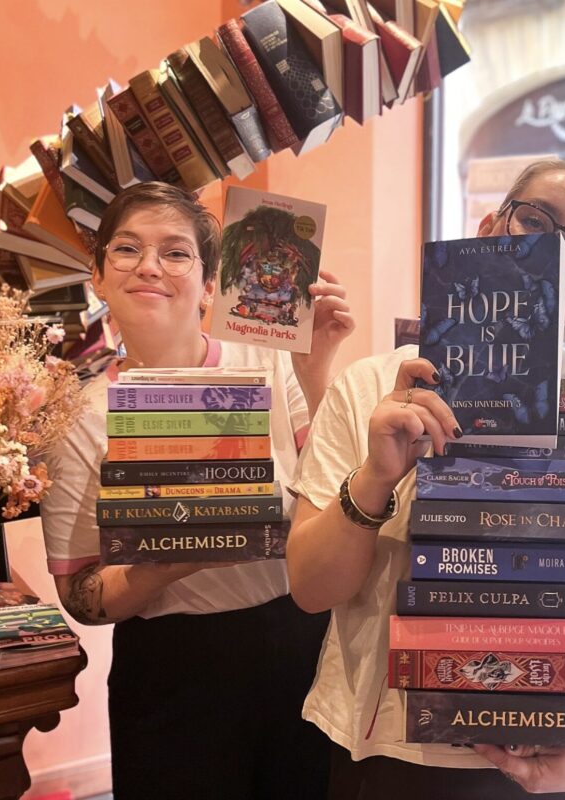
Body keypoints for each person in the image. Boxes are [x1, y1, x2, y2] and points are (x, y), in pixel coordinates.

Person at [286, 159, 565, 799]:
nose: (551, 251)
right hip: (394, 757)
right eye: (536, 221)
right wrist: (376, 478)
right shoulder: (367, 392)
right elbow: (309, 587)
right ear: (489, 226)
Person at [40, 182, 354, 799]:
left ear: (211, 284)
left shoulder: (268, 362)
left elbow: (337, 492)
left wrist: (317, 368)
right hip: (172, 671)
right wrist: (165, 567)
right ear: (99, 277)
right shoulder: (78, 415)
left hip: (301, 645)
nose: (150, 266)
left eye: (177, 252)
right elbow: (80, 595)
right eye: (126, 249)